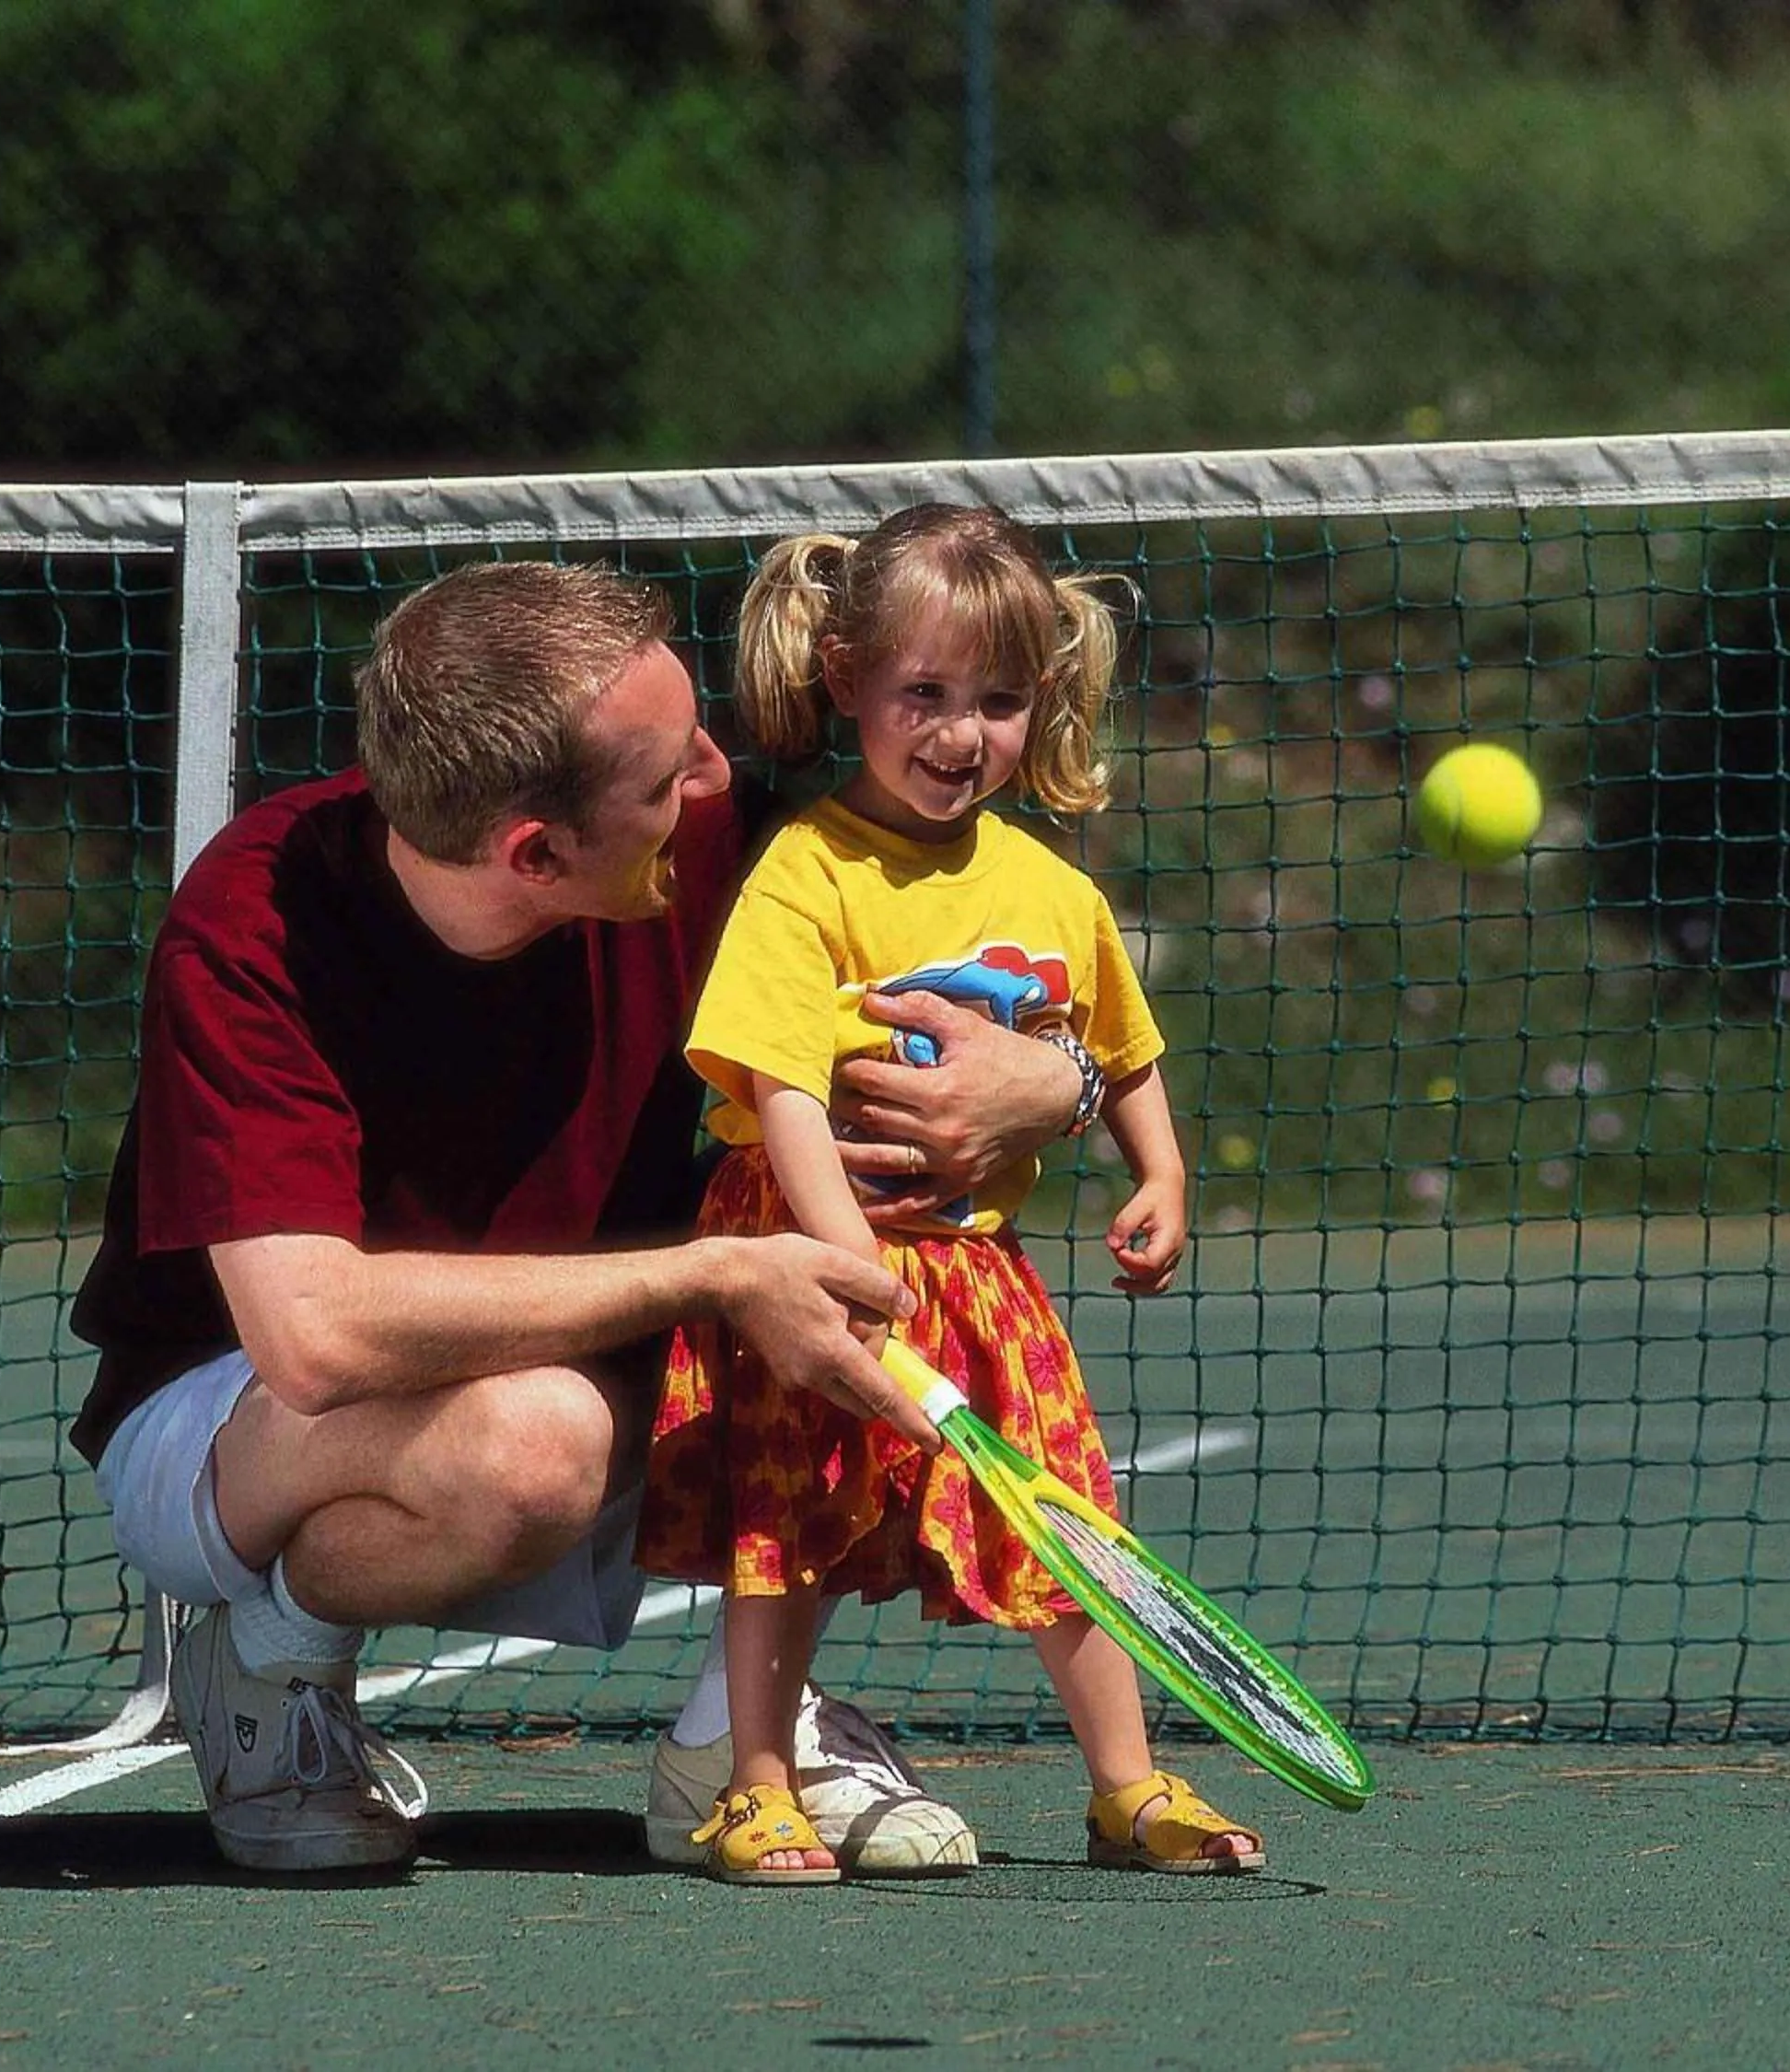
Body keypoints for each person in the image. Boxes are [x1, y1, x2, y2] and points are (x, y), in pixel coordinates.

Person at [67, 558, 1093, 1876]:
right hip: (234, 1428)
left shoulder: (720, 843)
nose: (720, 777)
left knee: (868, 1267)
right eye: (671, 775)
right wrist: (720, 1271)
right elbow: (312, 1339)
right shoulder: (254, 919)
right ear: (536, 854)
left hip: (607, 1381)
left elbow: (978, 917)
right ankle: (268, 1660)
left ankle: (735, 1741)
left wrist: (1059, 1082)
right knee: (535, 1436)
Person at [635, 505, 1264, 1883]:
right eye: (923, 693)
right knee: (784, 1521)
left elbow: (1116, 1045)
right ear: (846, 678)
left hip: (978, 1269)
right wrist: (838, 1253)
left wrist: (1160, 1170)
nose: (959, 732)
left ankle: (1129, 1787)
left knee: (1068, 1521)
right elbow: (781, 1083)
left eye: (997, 699)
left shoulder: (1049, 881)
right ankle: (753, 1782)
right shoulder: (806, 870)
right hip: (805, 1254)